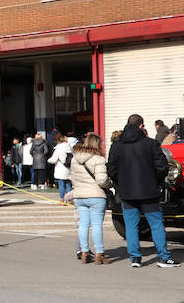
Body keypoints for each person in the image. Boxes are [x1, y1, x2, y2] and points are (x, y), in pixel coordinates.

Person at [106, 114, 177, 268]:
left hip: (127, 192)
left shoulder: (117, 145)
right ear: (141, 126)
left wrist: (120, 183)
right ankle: (163, 257)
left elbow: (111, 169)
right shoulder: (150, 144)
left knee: (131, 225)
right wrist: (156, 181)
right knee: (156, 224)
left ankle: (135, 258)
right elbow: (162, 167)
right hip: (149, 191)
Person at [69, 132, 113, 264]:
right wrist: (109, 184)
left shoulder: (74, 158)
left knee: (83, 224)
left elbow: (73, 178)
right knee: (97, 225)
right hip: (96, 195)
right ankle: (99, 253)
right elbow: (101, 180)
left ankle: (84, 252)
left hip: (79, 195)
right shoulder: (98, 159)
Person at [48, 132, 77, 200]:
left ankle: (62, 199)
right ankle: (70, 199)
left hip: (60, 169)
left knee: (61, 184)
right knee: (68, 184)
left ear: (58, 141)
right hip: (68, 168)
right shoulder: (70, 148)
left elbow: (53, 159)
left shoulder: (58, 149)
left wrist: (48, 160)